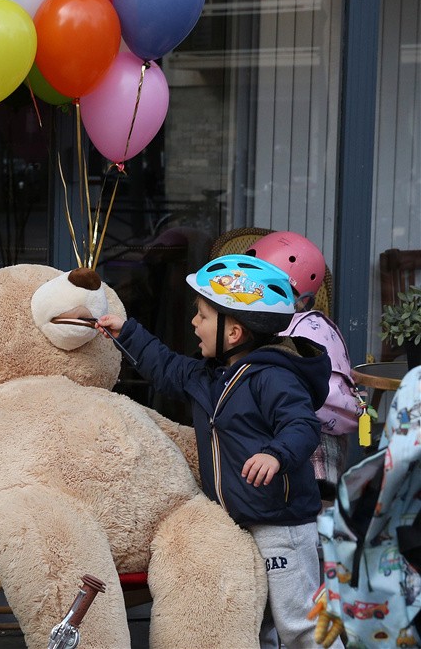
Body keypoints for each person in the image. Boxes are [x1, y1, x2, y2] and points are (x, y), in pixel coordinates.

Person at [95, 254, 339, 649]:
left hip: (282, 527)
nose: (194, 322)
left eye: (203, 315)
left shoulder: (273, 377)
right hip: (240, 523)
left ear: (234, 332)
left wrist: (276, 454)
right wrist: (127, 333)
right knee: (257, 628)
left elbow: (302, 425)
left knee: (299, 625)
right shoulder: (212, 377)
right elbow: (167, 367)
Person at [246, 231, 362, 499]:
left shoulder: (305, 331)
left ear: (302, 301)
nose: (258, 295)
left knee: (315, 511)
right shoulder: (291, 324)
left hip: (316, 436)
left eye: (270, 288)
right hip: (302, 429)